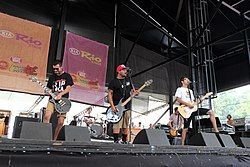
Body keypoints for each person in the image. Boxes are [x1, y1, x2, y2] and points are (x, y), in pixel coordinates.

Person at [175, 76, 219, 145]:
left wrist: (203, 98)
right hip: (186, 110)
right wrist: (188, 104)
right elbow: (178, 99)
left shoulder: (190, 91)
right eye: (186, 79)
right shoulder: (179, 89)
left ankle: (216, 131)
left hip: (193, 109)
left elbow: (193, 102)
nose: (188, 80)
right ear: (182, 81)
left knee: (211, 112)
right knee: (185, 128)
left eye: (188, 79)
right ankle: (182, 144)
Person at [43, 60, 74, 140]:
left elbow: (69, 88)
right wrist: (47, 91)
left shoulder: (67, 76)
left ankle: (54, 138)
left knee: (60, 122)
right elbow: (49, 88)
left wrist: (60, 94)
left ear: (61, 67)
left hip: (63, 101)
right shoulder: (52, 77)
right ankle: (44, 136)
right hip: (52, 100)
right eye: (54, 69)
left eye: (57, 69)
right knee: (46, 116)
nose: (55, 71)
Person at [108, 64, 138, 143]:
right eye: (124, 70)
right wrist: (112, 106)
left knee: (125, 125)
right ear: (119, 71)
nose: (126, 71)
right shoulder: (113, 82)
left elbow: (132, 91)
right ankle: (115, 141)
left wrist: (135, 92)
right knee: (117, 125)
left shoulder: (128, 81)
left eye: (126, 70)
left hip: (127, 106)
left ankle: (124, 141)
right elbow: (110, 94)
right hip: (117, 106)